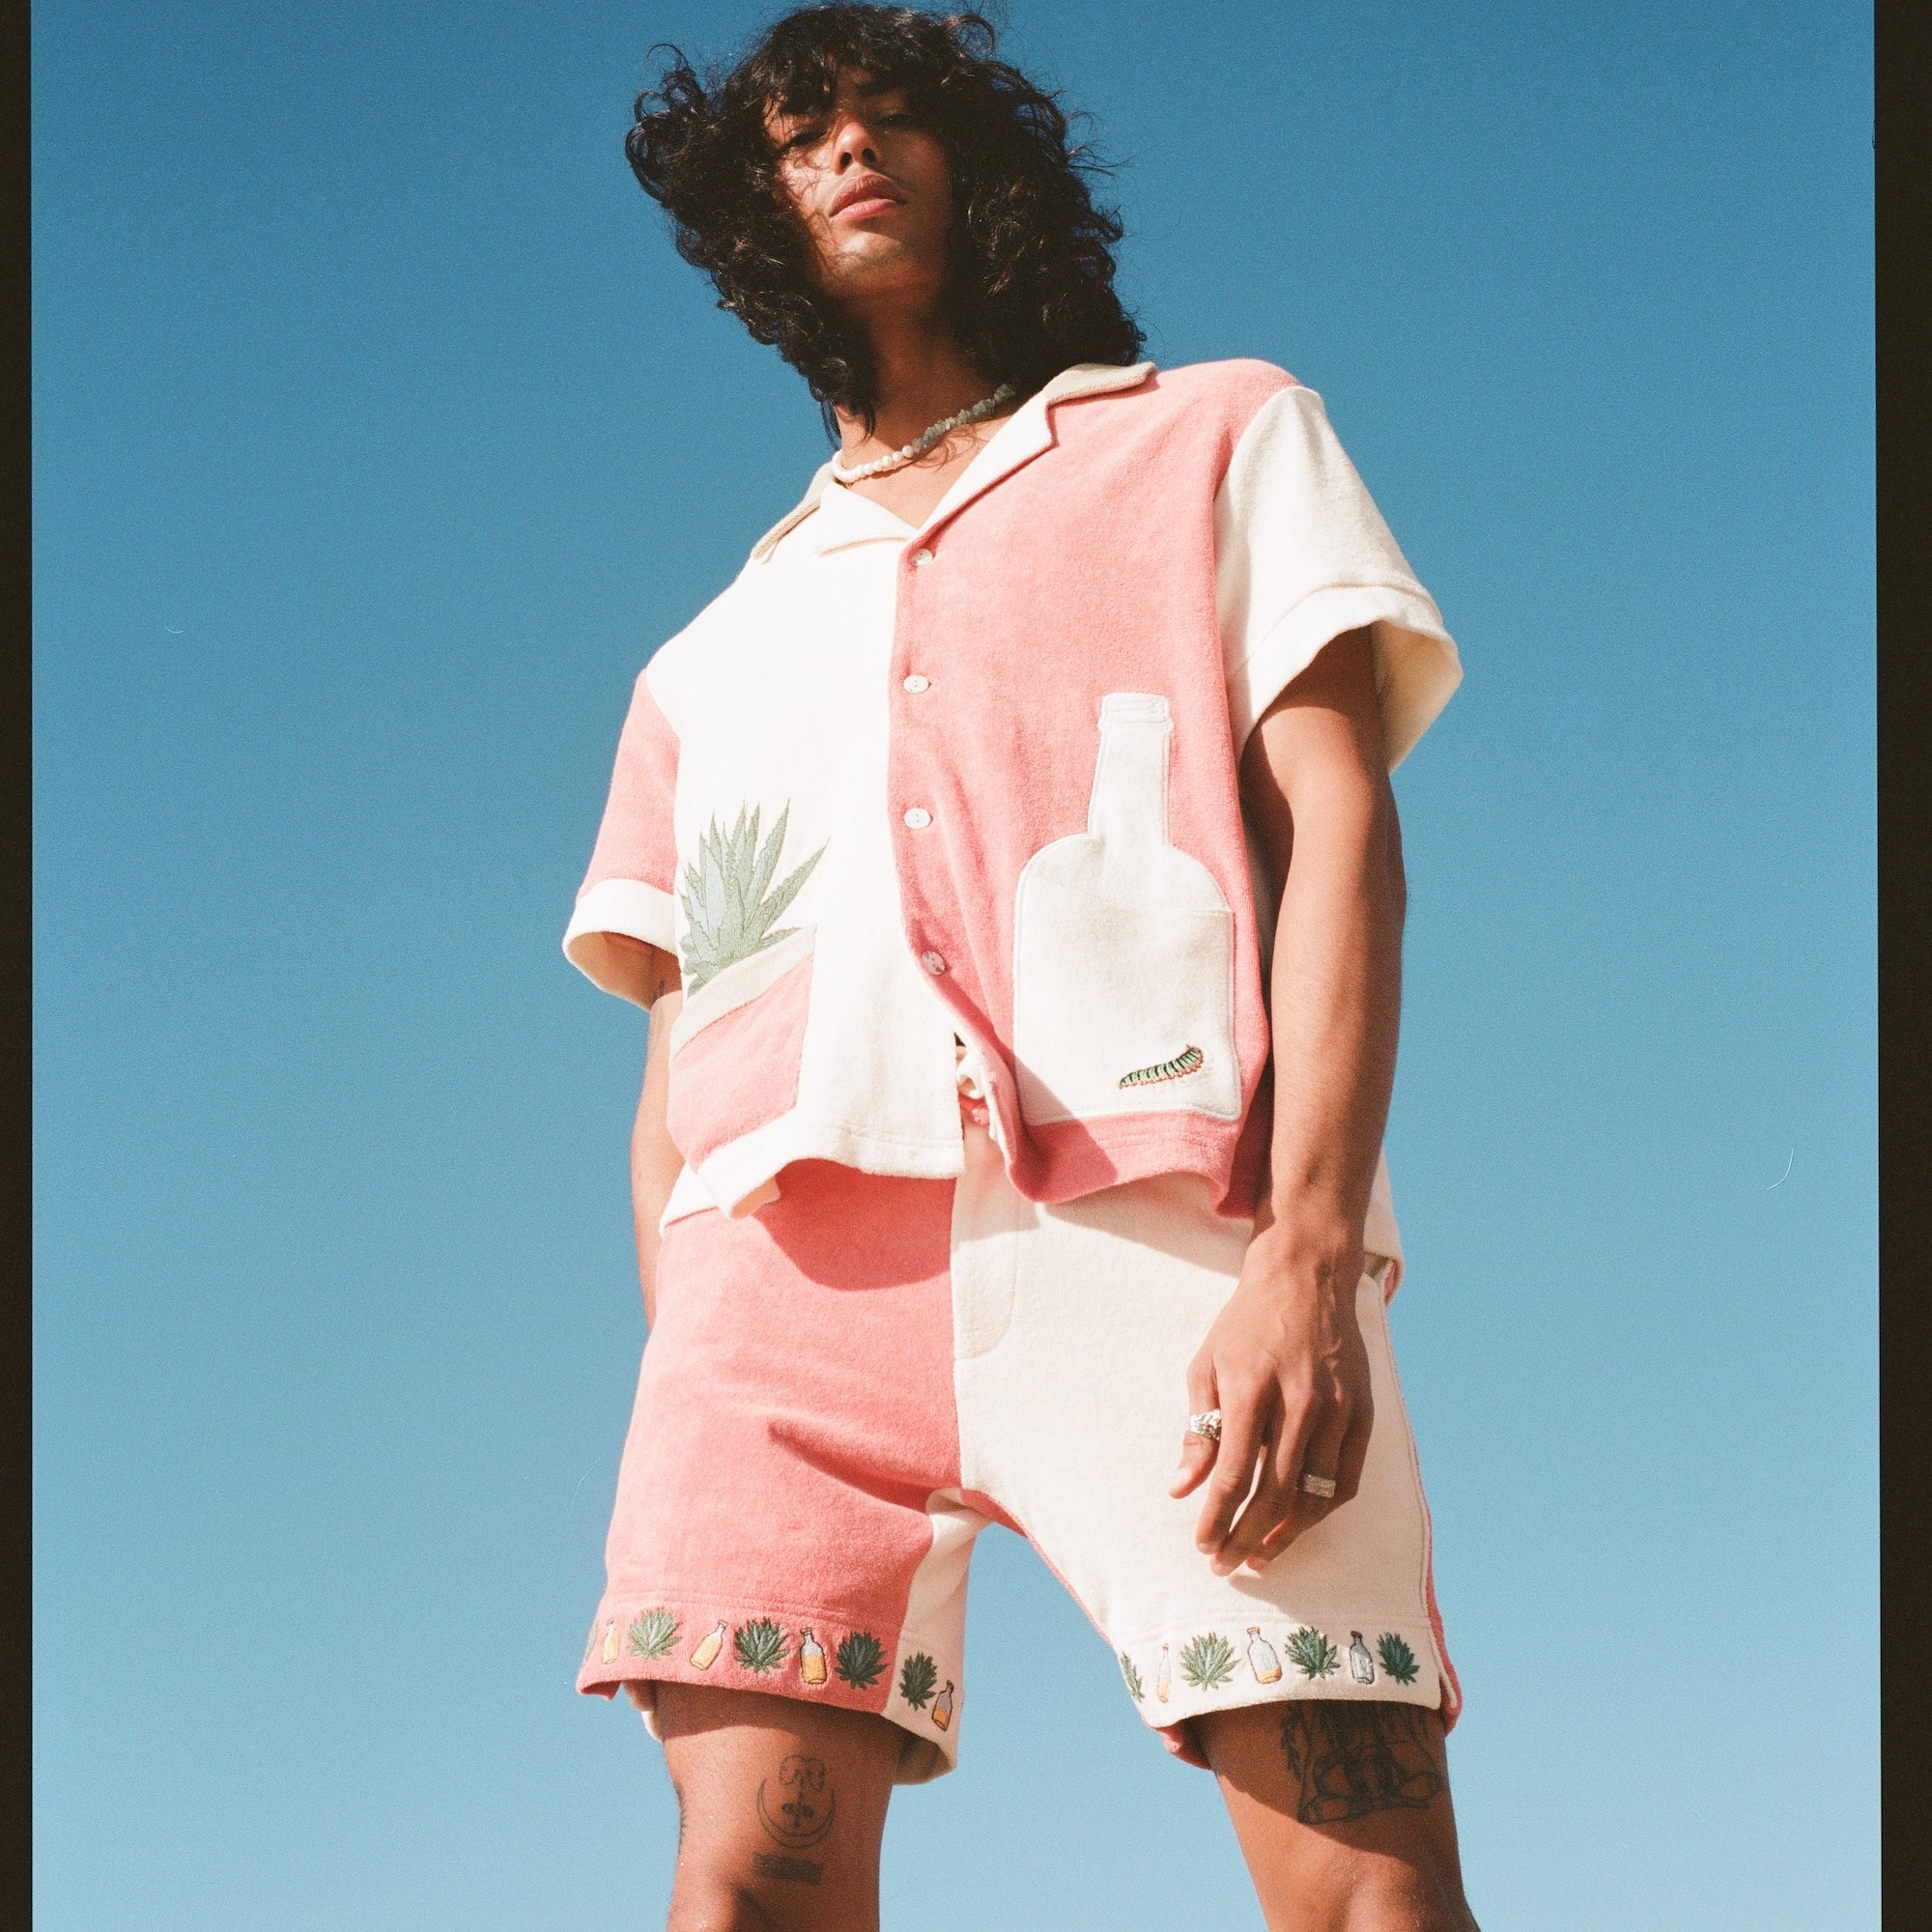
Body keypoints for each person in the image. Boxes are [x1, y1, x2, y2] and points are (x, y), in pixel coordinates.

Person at [563, 8, 1477, 1927]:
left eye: (889, 114)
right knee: (742, 1899)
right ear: (757, 220)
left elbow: (1336, 827)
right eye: (800, 137)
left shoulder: (1215, 431)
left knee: (1362, 1892)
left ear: (988, 168)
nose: (845, 151)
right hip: (775, 1305)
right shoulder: (700, 653)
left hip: (1160, 1227)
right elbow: (671, 1067)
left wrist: (1307, 1243)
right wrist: (692, 1367)